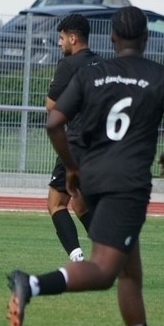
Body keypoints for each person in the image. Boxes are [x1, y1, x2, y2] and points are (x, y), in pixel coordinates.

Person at [7, 6, 164, 326]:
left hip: (90, 176)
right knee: (106, 271)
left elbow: (54, 121)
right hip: (126, 186)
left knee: (130, 273)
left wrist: (71, 167)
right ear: (146, 39)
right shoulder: (162, 76)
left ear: (112, 38)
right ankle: (31, 284)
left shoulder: (92, 73)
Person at [45, 13, 103, 262]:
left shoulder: (68, 65)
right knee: (80, 204)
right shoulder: (102, 64)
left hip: (77, 143)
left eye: (61, 38)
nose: (59, 43)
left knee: (56, 203)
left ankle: (78, 259)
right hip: (101, 144)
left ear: (73, 38)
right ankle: (113, 253)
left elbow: (51, 106)